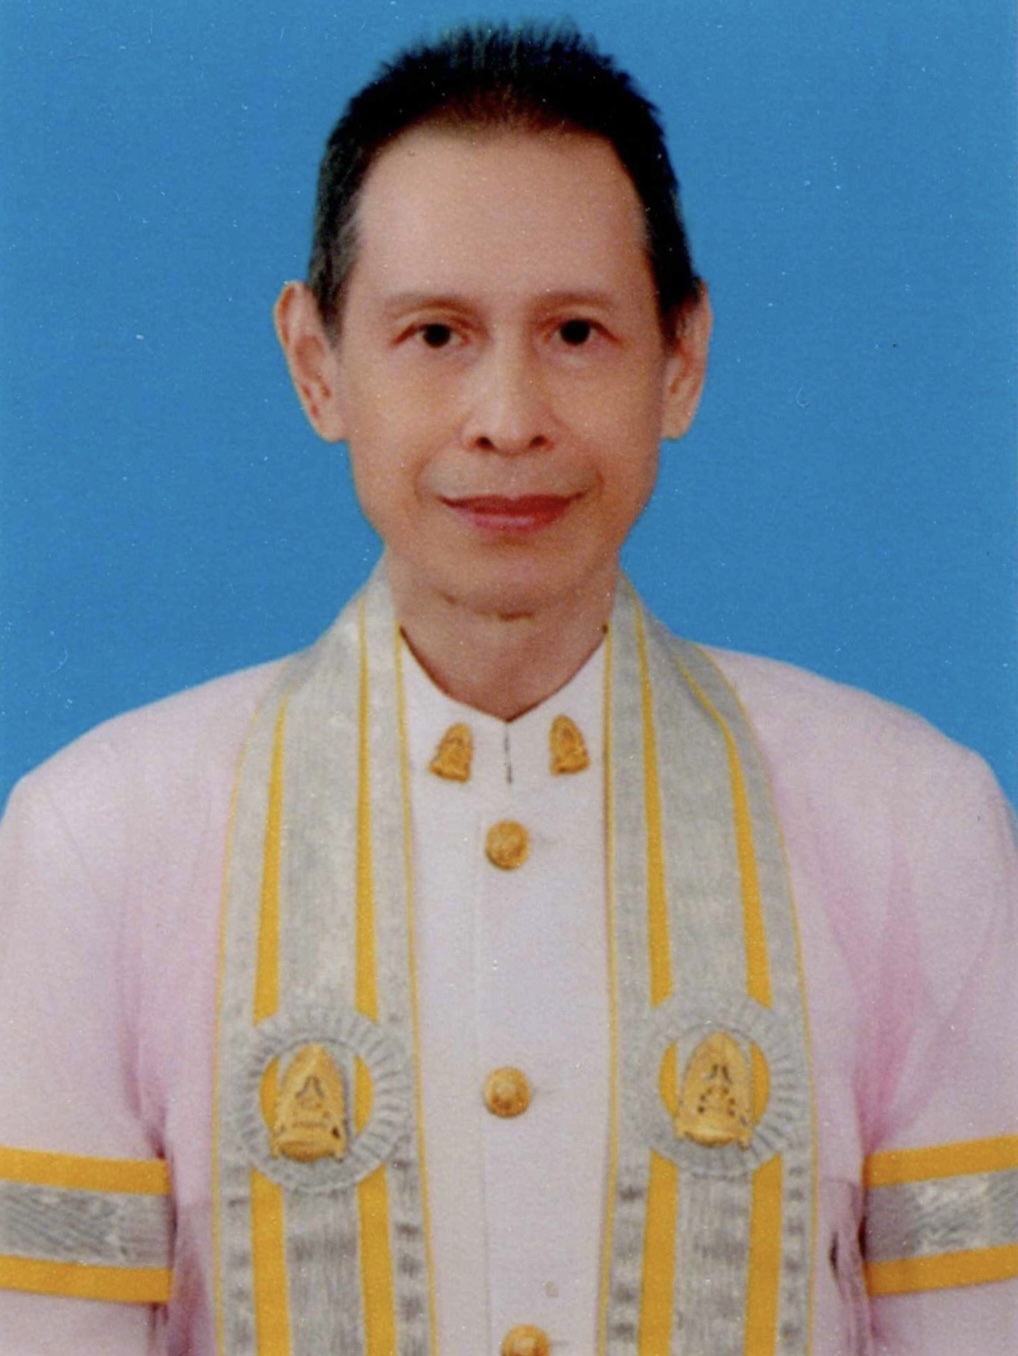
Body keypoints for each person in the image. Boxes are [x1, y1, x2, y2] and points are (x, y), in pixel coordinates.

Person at [0, 21, 1014, 1356]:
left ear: (681, 357)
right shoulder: (98, 842)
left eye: (577, 332)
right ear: (316, 364)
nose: (508, 417)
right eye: (435, 334)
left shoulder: (910, 823)